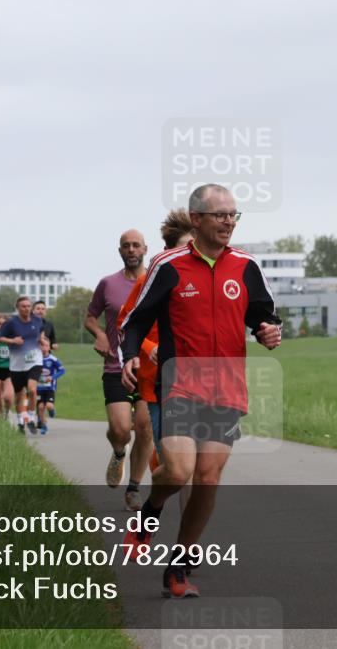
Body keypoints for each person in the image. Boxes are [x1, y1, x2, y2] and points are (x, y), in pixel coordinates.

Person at [120, 184, 282, 598]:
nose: (229, 221)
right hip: (180, 383)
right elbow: (135, 320)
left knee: (207, 480)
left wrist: (268, 331)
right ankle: (149, 515)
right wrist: (130, 356)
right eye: (220, 215)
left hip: (227, 387)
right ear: (197, 220)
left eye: (233, 215)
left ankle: (179, 566)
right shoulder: (169, 266)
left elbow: (264, 316)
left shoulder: (246, 266)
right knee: (177, 471)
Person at [117, 209, 195, 464]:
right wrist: (148, 347)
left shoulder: (206, 282)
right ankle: (156, 483)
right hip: (156, 375)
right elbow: (125, 322)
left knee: (194, 457)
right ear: (168, 250)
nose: (190, 253)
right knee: (164, 450)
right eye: (185, 247)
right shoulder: (148, 281)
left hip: (197, 377)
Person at [86, 229, 151, 511]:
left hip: (149, 367)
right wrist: (100, 334)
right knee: (121, 428)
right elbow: (90, 317)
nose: (131, 249)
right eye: (126, 246)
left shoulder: (156, 281)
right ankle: (118, 450)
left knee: (145, 427)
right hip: (115, 364)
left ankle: (134, 488)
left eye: (136, 245)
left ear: (145, 249)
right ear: (120, 251)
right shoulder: (107, 284)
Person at [0, 296, 44, 432]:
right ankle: (20, 421)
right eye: (23, 306)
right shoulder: (10, 323)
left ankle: (30, 418)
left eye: (28, 306)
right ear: (17, 308)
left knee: (32, 390)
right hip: (17, 365)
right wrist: (13, 341)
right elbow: (0, 338)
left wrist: (41, 340)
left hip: (35, 361)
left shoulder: (37, 319)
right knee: (19, 396)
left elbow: (40, 331)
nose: (26, 308)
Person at [36, 337, 65, 434]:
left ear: (49, 348)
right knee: (40, 407)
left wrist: (52, 377)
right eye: (42, 345)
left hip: (50, 387)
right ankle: (44, 425)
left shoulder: (53, 359)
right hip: (39, 387)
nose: (44, 348)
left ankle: (52, 410)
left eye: (46, 345)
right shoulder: (36, 359)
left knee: (48, 406)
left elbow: (62, 371)